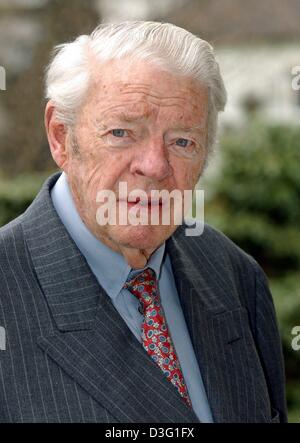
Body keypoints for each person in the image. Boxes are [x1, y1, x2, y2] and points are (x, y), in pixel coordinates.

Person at [0, 21, 287, 423]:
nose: (154, 166)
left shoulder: (236, 277)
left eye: (182, 141)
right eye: (122, 132)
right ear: (61, 137)